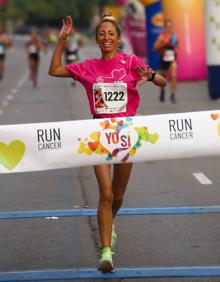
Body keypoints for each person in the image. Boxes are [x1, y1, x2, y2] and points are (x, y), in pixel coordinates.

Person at [49, 14, 166, 273]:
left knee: (119, 195)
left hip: (126, 134)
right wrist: (61, 41)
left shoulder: (130, 62)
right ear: (97, 39)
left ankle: (109, 223)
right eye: (101, 34)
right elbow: (55, 70)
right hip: (99, 133)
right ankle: (106, 252)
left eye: (110, 34)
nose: (106, 38)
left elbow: (161, 81)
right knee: (105, 193)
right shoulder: (88, 66)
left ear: (118, 38)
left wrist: (151, 75)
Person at [153, 19, 179, 104]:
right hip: (164, 59)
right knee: (162, 78)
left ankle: (173, 95)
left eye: (170, 26)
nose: (169, 28)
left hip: (172, 58)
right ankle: (162, 90)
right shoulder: (162, 36)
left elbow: (178, 45)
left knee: (174, 75)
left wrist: (177, 44)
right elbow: (155, 47)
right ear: (164, 27)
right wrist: (164, 43)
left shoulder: (174, 35)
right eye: (167, 26)